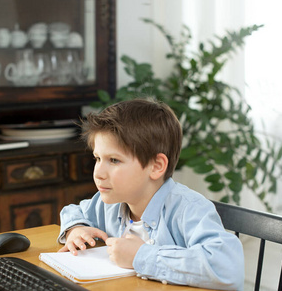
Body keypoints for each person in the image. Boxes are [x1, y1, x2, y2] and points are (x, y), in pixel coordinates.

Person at [57, 98, 244, 290]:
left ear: (156, 166)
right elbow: (74, 211)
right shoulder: (109, 203)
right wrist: (77, 229)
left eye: (114, 160)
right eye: (97, 158)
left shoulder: (189, 209)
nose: (98, 173)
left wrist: (141, 256)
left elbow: (228, 268)